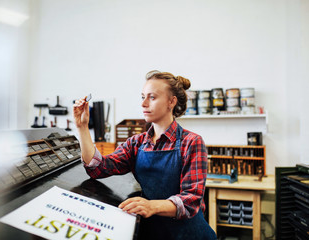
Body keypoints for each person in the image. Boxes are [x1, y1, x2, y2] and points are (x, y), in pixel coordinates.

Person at [73, 71, 216, 240]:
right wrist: (82, 127)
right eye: (142, 97)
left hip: (189, 234)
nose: (144, 104)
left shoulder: (191, 142)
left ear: (172, 101)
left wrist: (152, 206)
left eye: (152, 97)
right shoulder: (136, 143)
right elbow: (98, 168)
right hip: (153, 232)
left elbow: (191, 200)